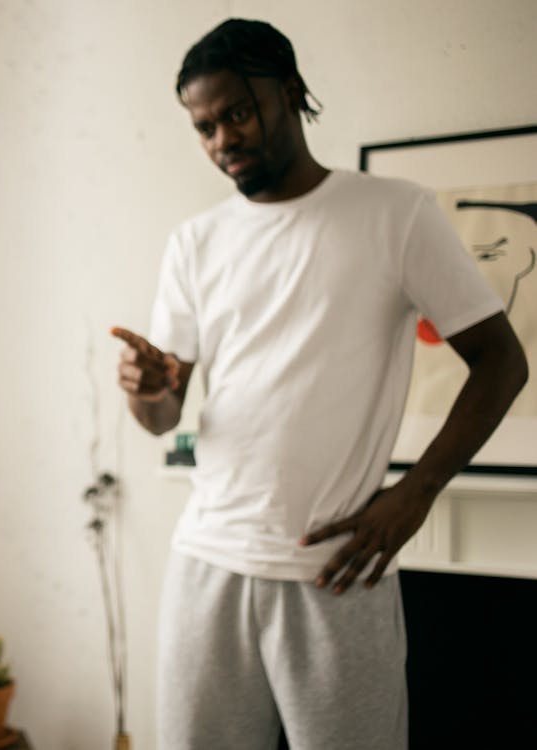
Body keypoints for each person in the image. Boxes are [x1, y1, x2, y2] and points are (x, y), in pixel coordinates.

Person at [112, 18, 528, 750]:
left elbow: (501, 362)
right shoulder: (196, 242)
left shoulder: (395, 213)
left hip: (335, 570)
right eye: (203, 127)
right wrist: (146, 389)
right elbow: (163, 414)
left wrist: (413, 495)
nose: (222, 141)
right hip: (205, 561)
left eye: (236, 113)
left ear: (290, 92)